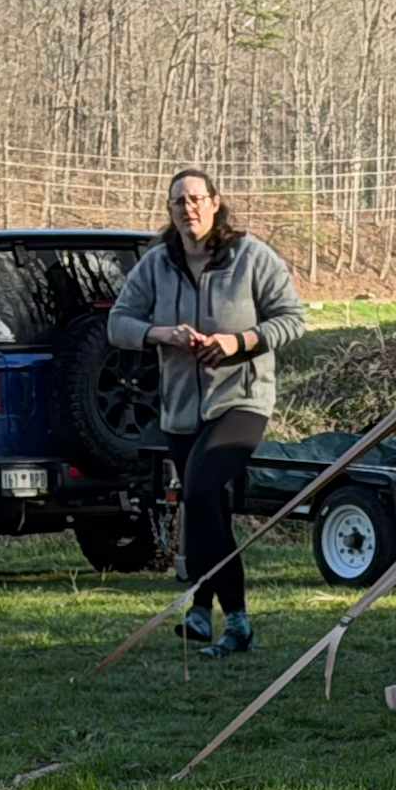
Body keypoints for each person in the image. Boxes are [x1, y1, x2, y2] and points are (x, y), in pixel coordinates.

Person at [106, 169, 303, 658]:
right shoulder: (156, 264)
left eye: (196, 199)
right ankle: (220, 619)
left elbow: (292, 319)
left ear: (216, 203)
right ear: (170, 211)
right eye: (179, 202)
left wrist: (239, 342)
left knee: (199, 490)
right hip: (181, 410)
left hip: (241, 401)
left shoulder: (251, 256)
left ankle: (212, 610)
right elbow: (118, 324)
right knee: (207, 507)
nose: (188, 208)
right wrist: (162, 335)